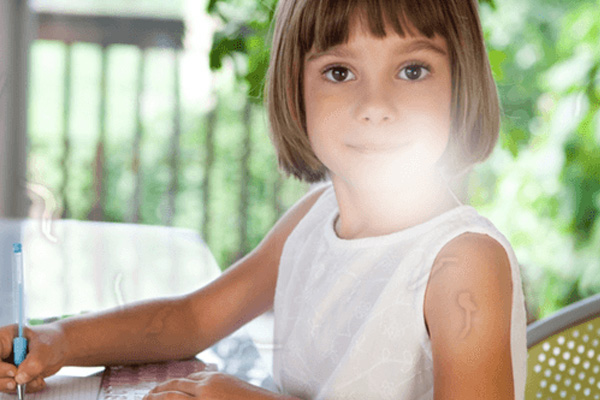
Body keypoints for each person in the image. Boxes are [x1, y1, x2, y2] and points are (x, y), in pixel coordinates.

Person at [0, 0, 528, 398]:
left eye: (412, 70)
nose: (375, 106)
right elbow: (193, 320)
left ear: (461, 87)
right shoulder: (316, 216)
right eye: (339, 72)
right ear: (295, 93)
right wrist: (60, 340)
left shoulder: (463, 263)